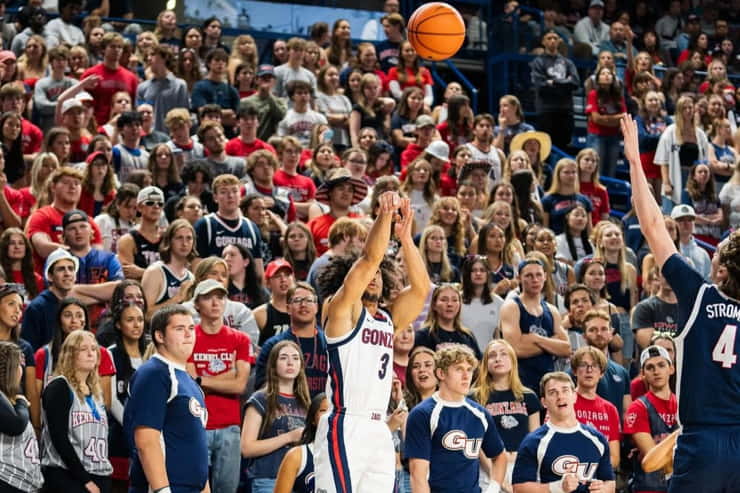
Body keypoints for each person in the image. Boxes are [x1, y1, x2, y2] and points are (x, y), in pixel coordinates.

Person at [623, 111, 740, 491]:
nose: (712, 252)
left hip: (702, 441)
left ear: (721, 271)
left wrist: (634, 163)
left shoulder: (700, 293)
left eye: (718, 251)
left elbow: (654, 225)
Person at [314, 193, 430, 493]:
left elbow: (421, 288)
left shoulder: (388, 320)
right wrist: (385, 216)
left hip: (380, 429)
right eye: (371, 273)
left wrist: (406, 239)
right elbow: (369, 258)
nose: (375, 276)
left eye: (380, 273)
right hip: (345, 423)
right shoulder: (341, 310)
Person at [124, 305, 210, 493]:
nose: (188, 335)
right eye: (179, 329)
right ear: (159, 336)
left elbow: (197, 445)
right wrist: (162, 490)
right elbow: (146, 440)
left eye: (191, 329)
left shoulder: (190, 382)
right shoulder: (155, 373)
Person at [405, 345, 507, 493]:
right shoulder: (423, 414)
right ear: (441, 373)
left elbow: (499, 456)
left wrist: (493, 487)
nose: (466, 376)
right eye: (459, 369)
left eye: (469, 370)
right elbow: (417, 476)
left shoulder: (480, 414)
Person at [187, 279, 253, 493]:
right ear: (197, 304)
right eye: (208, 297)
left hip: (230, 425)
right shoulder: (188, 338)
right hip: (197, 424)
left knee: (227, 489)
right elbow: (190, 384)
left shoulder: (241, 339)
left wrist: (201, 380)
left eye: (220, 297)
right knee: (195, 487)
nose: (215, 303)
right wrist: (228, 374)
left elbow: (239, 385)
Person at [512, 371, 616, 491]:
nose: (560, 397)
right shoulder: (533, 442)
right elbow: (519, 488)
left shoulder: (597, 439)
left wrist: (603, 489)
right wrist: (557, 487)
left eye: (565, 390)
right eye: (552, 393)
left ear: (574, 396)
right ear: (544, 402)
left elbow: (610, 483)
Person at [40, 330, 112, 492]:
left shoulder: (96, 392)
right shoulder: (59, 386)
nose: (90, 353)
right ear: (70, 354)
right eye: (83, 349)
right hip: (68, 477)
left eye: (94, 349)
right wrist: (85, 479)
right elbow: (59, 437)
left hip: (99, 473)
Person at [240, 340, 310, 493]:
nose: (290, 362)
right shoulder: (260, 399)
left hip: (300, 479)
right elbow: (247, 448)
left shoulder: (306, 403)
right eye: (284, 358)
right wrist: (289, 436)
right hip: (269, 478)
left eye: (295, 358)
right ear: (273, 365)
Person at [472, 339, 541, 491]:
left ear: (512, 360)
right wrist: (496, 475)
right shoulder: (475, 397)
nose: (498, 358)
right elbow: (476, 442)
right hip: (488, 466)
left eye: (503, 354)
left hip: (522, 466)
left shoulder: (528, 396)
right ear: (485, 363)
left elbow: (535, 438)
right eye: (492, 355)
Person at [500, 258, 570, 395]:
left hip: (548, 384)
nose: (535, 279)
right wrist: (551, 343)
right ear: (519, 278)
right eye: (529, 275)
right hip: (520, 383)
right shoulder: (511, 307)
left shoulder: (552, 310)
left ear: (545, 277)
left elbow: (566, 348)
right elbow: (515, 349)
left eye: (538, 275)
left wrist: (536, 339)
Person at [254, 282, 328, 398]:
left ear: (316, 307)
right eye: (297, 300)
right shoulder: (273, 345)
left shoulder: (331, 344)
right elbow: (262, 389)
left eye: (309, 300)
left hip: (324, 411)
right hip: (288, 412)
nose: (303, 305)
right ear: (288, 308)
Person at [623, 345, 678, 493]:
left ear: (671, 369)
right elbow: (652, 457)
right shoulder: (637, 408)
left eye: (661, 365)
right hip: (649, 488)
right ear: (642, 374)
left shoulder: (683, 404)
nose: (656, 371)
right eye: (650, 367)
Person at [193, 174, 264, 276]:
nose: (230, 196)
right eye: (223, 192)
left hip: (245, 290)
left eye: (235, 191)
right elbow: (197, 269)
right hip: (216, 288)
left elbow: (259, 273)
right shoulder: (205, 224)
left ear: (240, 196)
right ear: (215, 197)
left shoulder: (251, 227)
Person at [0, 340, 44, 493]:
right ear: (11, 369)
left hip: (23, 483)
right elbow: (16, 425)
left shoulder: (14, 401)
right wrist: (20, 400)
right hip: (7, 480)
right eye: (19, 364)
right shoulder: (16, 402)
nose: (22, 369)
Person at [570, 346, 622, 469]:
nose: (589, 370)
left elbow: (614, 458)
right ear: (574, 371)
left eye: (595, 366)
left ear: (601, 373)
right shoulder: (564, 402)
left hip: (600, 478)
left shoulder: (610, 409)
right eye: (583, 365)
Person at [530, 29, 580, 149]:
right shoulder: (538, 62)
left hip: (565, 110)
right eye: (549, 38)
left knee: (564, 146)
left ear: (559, 42)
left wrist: (553, 82)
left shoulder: (568, 63)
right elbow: (540, 85)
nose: (552, 41)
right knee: (545, 148)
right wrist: (564, 84)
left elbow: (575, 83)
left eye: (555, 38)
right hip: (546, 110)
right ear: (543, 41)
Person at [21, 248, 78, 351]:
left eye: (71, 268)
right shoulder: (37, 308)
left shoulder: (76, 305)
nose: (67, 273)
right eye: (61, 269)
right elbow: (28, 350)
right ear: (50, 276)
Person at [274, 393, 329, 493]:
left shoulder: (353, 454)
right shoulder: (297, 455)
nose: (328, 416)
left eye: (332, 411)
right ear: (313, 419)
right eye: (323, 410)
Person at [141, 219, 196, 319]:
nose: (184, 243)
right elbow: (145, 315)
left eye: (189, 238)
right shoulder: (155, 272)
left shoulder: (191, 277)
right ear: (169, 241)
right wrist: (177, 298)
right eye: (179, 238)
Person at [80, 32, 138, 126]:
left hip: (124, 128)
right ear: (103, 49)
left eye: (119, 47)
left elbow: (133, 106)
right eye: (112, 46)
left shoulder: (131, 78)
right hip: (97, 126)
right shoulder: (90, 75)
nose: (117, 50)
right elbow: (84, 105)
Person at [116, 186, 164, 281]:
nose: (156, 206)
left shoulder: (169, 237)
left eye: (160, 204)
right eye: (150, 203)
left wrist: (141, 272)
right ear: (139, 208)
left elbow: (176, 274)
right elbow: (129, 278)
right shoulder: (128, 240)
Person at [632, 271, 679, 351]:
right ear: (657, 275)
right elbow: (649, 347)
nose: (669, 277)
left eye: (676, 273)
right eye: (665, 272)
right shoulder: (644, 307)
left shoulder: (690, 308)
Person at [671, 204, 712, 279]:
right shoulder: (670, 251)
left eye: (690, 220)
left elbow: (708, 280)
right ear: (673, 223)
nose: (686, 223)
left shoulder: (703, 254)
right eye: (680, 220)